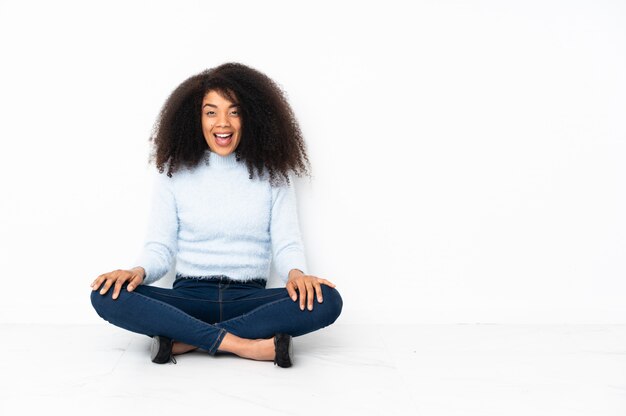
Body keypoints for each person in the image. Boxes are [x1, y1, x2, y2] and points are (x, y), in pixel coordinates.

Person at [90, 62, 343, 367]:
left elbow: (287, 243)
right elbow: (160, 247)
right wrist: (137, 272)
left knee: (327, 301)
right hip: (188, 299)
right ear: (195, 118)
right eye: (211, 112)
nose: (222, 123)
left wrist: (298, 275)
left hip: (249, 300)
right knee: (106, 295)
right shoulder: (174, 173)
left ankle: (184, 340)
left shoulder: (274, 174)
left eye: (234, 111)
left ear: (251, 116)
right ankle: (244, 346)